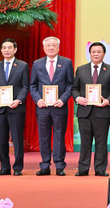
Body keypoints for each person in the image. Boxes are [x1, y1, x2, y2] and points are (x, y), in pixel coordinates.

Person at [71, 42, 110, 176]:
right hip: (84, 111)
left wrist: (108, 101)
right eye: (93, 52)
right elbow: (74, 88)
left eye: (99, 52)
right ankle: (83, 168)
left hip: (102, 111)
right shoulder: (81, 69)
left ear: (104, 54)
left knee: (101, 142)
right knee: (85, 142)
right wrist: (77, 98)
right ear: (89, 53)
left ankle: (100, 169)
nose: (96, 54)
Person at [29, 36, 74, 176]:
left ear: (58, 47)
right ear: (44, 48)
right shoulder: (37, 64)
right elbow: (32, 85)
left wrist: (63, 99)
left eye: (54, 45)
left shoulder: (66, 62)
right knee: (44, 136)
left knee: (59, 136)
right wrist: (37, 100)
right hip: (42, 107)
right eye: (48, 45)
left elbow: (70, 84)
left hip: (59, 106)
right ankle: (45, 165)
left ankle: (60, 165)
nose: (51, 48)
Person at [0, 38, 29, 175]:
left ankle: (18, 167)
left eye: (9, 47)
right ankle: (4, 167)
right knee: (2, 139)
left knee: (17, 139)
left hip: (16, 108)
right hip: (0, 108)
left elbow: (25, 86)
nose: (7, 50)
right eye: (4, 48)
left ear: (15, 49)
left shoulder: (22, 65)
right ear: (1, 50)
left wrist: (18, 100)